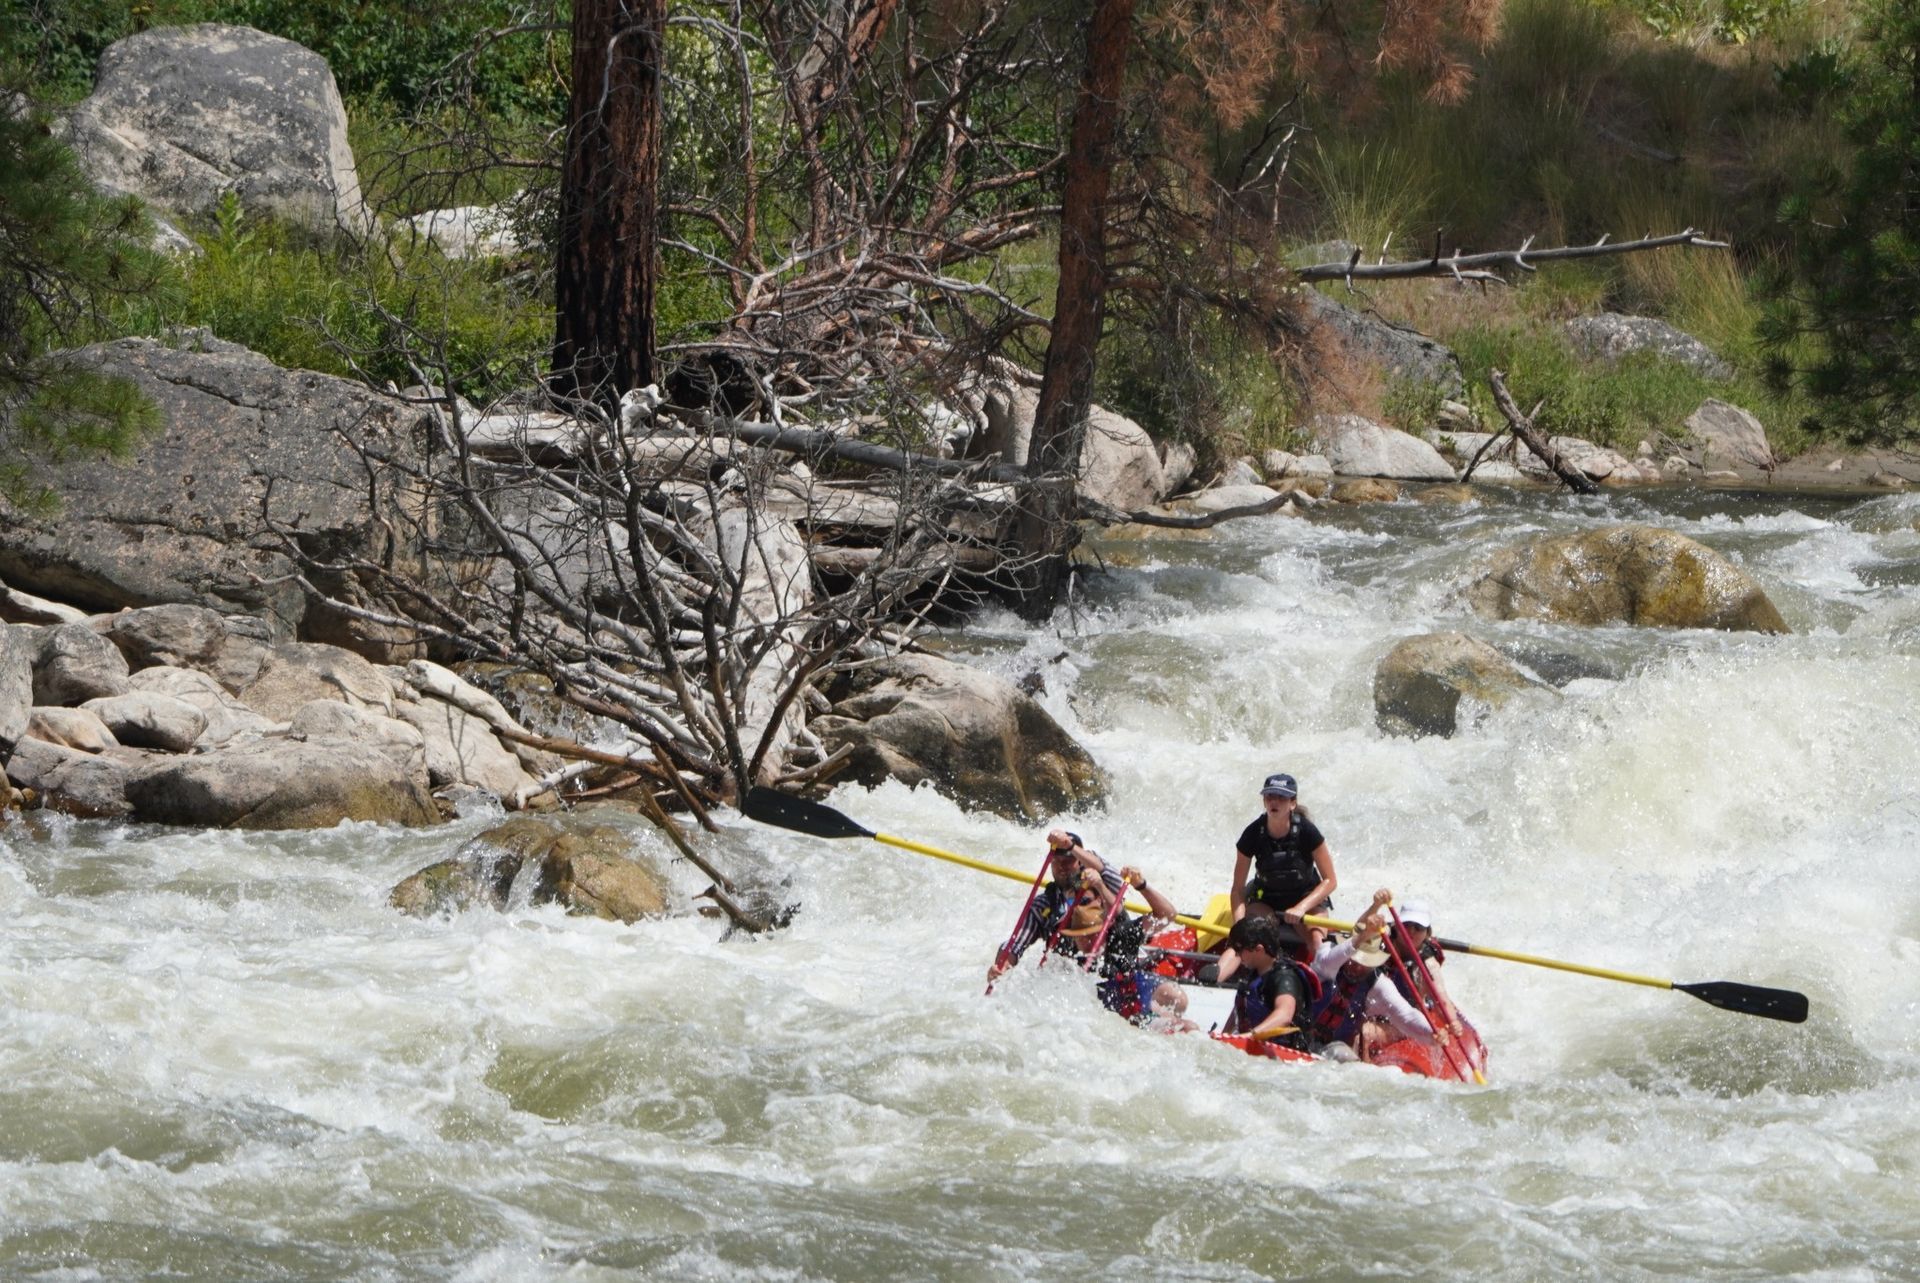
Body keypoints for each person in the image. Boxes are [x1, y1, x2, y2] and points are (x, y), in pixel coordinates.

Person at [988, 830, 1179, 983]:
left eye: (1068, 860)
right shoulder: (1044, 904)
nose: (1062, 866)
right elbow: (1014, 945)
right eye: (1057, 861)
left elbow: (1161, 914)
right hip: (1067, 979)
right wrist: (1001, 966)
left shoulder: (1106, 894)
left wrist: (1139, 885)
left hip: (1111, 975)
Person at [1217, 772, 1337, 981]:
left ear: (1293, 803)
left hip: (1306, 900)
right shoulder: (1252, 833)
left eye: (1281, 797)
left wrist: (1301, 908)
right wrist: (1239, 925)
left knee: (1316, 938)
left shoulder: (1308, 832)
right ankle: (1215, 976)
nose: (1274, 801)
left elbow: (1330, 881)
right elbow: (1237, 889)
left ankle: (1323, 984)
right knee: (1247, 936)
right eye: (1269, 796)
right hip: (1267, 900)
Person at [1221, 915, 1312, 1052]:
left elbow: (1284, 1015)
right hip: (1255, 1048)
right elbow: (1240, 1011)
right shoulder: (1254, 973)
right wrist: (1224, 1038)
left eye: (1240, 950)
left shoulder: (1285, 977)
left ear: (1259, 950)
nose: (1238, 956)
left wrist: (1250, 1036)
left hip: (1284, 1054)